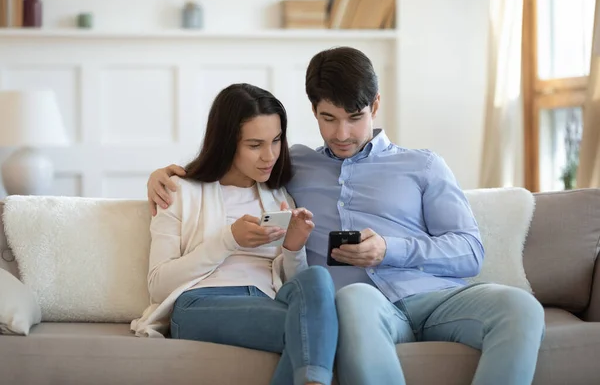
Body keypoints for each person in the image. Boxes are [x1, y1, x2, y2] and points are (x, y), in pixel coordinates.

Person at [146, 47, 545, 385]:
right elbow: (230, 166)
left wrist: (390, 249)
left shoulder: (423, 165)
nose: (341, 134)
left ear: (374, 105)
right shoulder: (289, 167)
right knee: (353, 299)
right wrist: (165, 175)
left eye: (355, 117)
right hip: (362, 306)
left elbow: (469, 251)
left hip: (435, 297)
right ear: (314, 112)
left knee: (522, 307)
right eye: (328, 118)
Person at [132, 83, 338, 385]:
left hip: (268, 301)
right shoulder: (178, 192)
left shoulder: (278, 196)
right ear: (227, 142)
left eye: (277, 140)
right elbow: (158, 287)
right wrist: (229, 239)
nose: (269, 155)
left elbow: (293, 284)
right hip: (200, 304)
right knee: (314, 328)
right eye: (255, 145)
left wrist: (294, 248)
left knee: (317, 282)